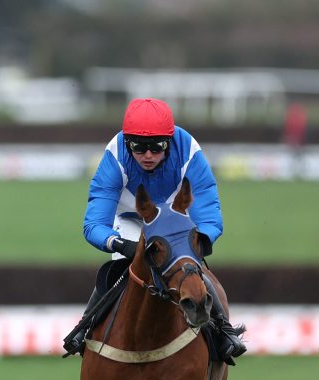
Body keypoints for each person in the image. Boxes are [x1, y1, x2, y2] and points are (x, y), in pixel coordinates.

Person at [62, 97, 246, 363]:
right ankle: (84, 327)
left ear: (169, 142)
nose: (148, 155)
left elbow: (208, 213)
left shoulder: (189, 150)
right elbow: (94, 224)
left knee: (192, 269)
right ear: (127, 143)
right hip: (131, 220)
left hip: (175, 222)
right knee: (118, 270)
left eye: (157, 147)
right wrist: (119, 244)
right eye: (139, 147)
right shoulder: (115, 155)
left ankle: (224, 332)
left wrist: (200, 241)